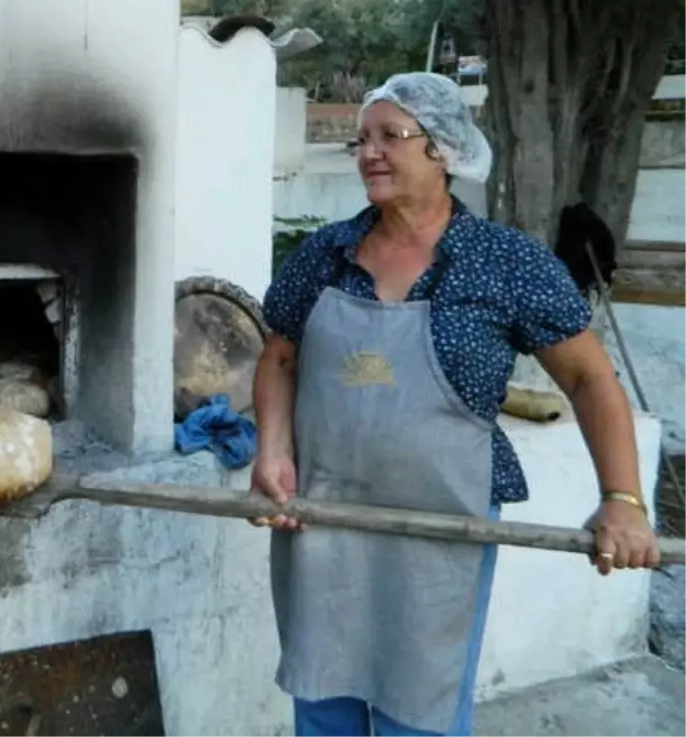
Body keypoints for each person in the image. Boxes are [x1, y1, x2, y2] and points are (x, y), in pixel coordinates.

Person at [250, 71, 660, 737]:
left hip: (443, 522)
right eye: (363, 139)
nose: (368, 153)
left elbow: (590, 379)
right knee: (324, 701)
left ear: (443, 151)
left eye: (391, 137)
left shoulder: (502, 262)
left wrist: (624, 499)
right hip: (324, 511)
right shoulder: (325, 253)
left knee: (422, 710)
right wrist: (272, 449)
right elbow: (280, 355)